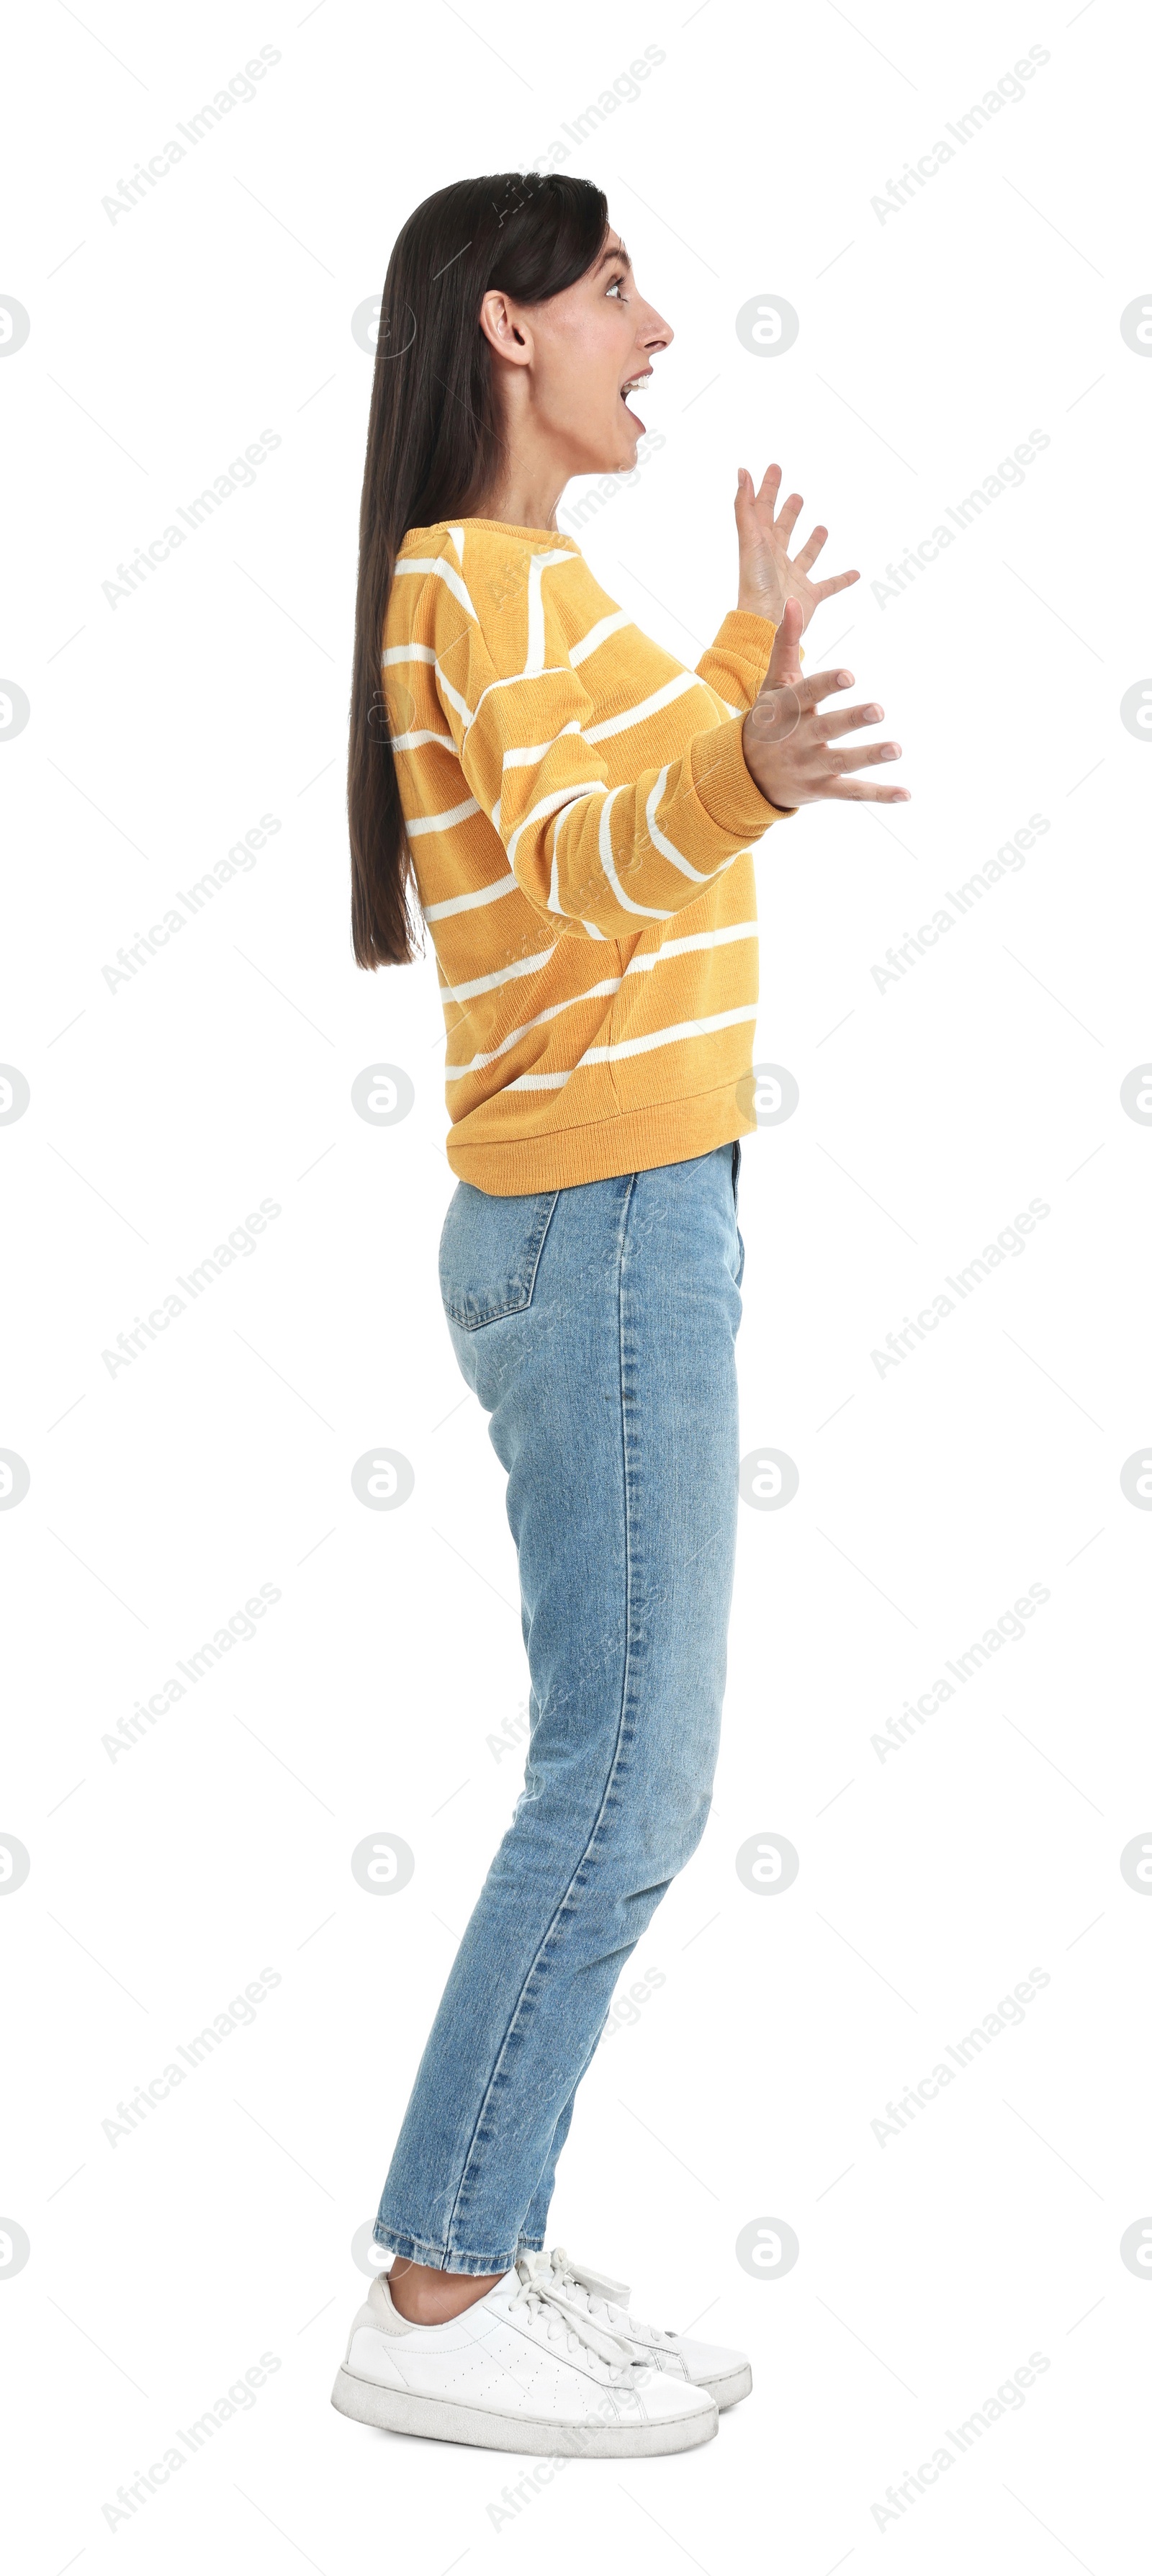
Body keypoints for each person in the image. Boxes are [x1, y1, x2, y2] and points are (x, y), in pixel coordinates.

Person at [333, 170, 908, 2459]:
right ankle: (444, 2278)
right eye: (610, 289)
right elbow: (593, 856)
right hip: (605, 1216)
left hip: (615, 1205)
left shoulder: (513, 589)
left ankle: (485, 2232)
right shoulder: (474, 582)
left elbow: (591, 818)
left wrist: (742, 669)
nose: (649, 327)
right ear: (507, 331)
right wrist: (748, 764)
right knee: (627, 1777)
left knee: (615, 1761)